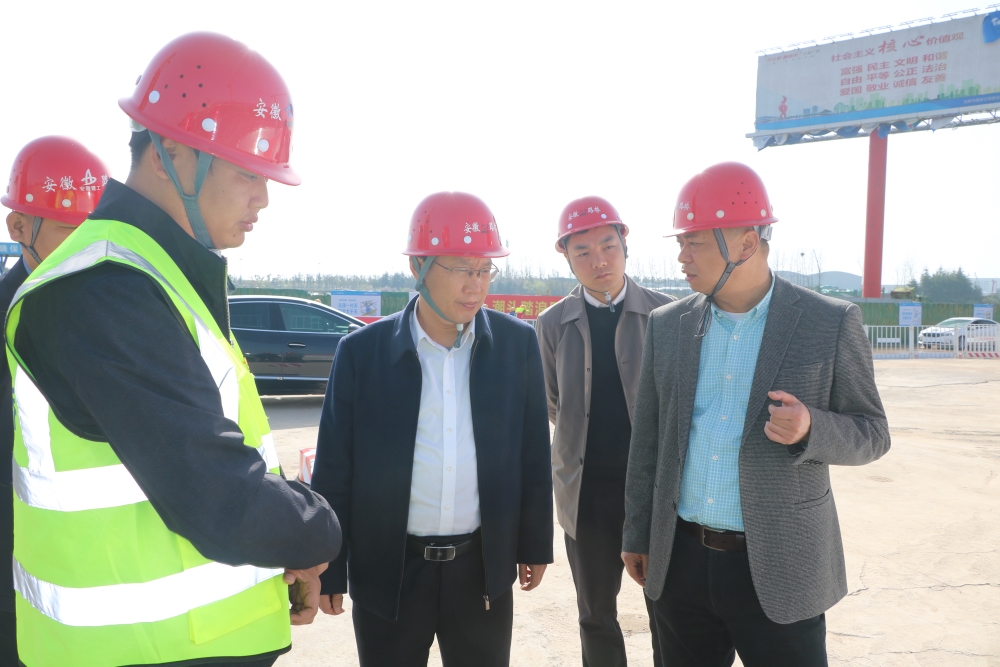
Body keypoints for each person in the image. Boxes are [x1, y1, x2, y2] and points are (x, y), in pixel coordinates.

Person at [5, 32, 341, 667]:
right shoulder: (102, 289)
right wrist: (317, 526)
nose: (263, 198)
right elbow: (217, 495)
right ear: (171, 155)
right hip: (131, 652)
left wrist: (281, 550)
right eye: (247, 172)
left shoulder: (158, 275)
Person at [621, 162, 891, 666]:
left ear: (746, 244)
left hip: (781, 566)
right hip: (680, 563)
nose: (681, 256)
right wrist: (638, 533)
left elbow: (873, 432)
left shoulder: (828, 322)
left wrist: (811, 428)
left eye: (694, 242)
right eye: (681, 242)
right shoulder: (667, 325)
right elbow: (649, 440)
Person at [310, 192, 554, 667]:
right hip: (391, 571)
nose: (475, 285)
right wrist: (331, 566)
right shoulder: (361, 353)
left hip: (480, 570)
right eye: (461, 269)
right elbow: (335, 468)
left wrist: (533, 543)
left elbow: (532, 454)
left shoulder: (515, 346)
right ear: (417, 267)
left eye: (484, 270)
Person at [535, 196, 671, 667]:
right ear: (567, 258)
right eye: (583, 252)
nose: (599, 261)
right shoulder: (552, 324)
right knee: (595, 613)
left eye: (608, 246)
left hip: (656, 490)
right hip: (586, 493)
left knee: (667, 608)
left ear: (625, 244)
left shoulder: (668, 315)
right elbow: (553, 402)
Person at [0, 135, 111, 666]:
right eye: (69, 229)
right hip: (15, 586)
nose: (87, 246)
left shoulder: (114, 314)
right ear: (19, 227)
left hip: (98, 580)